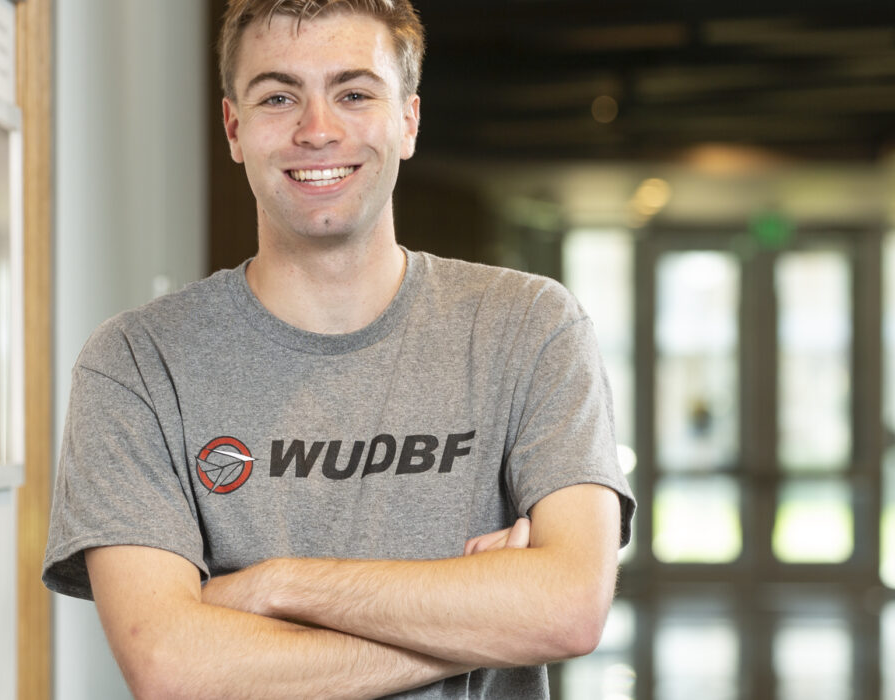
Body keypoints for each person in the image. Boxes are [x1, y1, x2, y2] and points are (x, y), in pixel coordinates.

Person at [42, 0, 636, 697]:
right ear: (234, 128)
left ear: (408, 120)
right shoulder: (137, 364)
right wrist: (483, 623)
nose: (317, 130)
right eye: (278, 96)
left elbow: (568, 608)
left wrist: (274, 586)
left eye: (354, 93)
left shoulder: (529, 327)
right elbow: (171, 666)